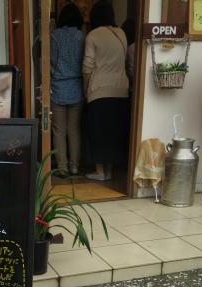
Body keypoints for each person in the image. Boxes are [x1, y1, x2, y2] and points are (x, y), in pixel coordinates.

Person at [82, 0, 129, 181]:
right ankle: (110, 170)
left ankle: (100, 171)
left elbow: (87, 67)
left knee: (98, 131)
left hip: (99, 91)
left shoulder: (93, 35)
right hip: (120, 90)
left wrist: (86, 87)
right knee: (113, 131)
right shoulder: (121, 33)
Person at [50, 3, 85, 178]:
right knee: (74, 129)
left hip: (58, 87)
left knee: (59, 130)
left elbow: (50, 61)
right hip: (76, 87)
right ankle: (75, 166)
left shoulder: (54, 36)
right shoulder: (81, 37)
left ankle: (62, 167)